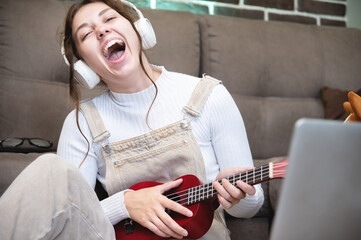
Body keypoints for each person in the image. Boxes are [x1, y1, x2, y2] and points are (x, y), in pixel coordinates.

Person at [0, 0, 263, 239]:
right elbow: (73, 215)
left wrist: (240, 195)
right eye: (86, 33)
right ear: (84, 67)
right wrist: (125, 203)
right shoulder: (82, 122)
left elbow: (252, 207)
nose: (101, 31)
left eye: (109, 19)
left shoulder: (210, 96)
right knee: (50, 168)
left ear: (138, 28)